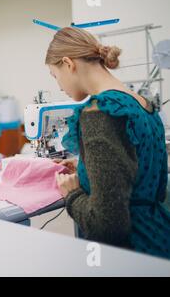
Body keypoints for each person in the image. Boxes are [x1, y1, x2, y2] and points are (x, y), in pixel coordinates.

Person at [46, 27, 169, 259]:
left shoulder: (100, 112)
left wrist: (72, 195)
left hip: (132, 253)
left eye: (55, 76)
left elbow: (108, 225)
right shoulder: (143, 104)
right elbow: (143, 174)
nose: (59, 86)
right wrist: (86, 167)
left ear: (68, 63)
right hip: (159, 238)